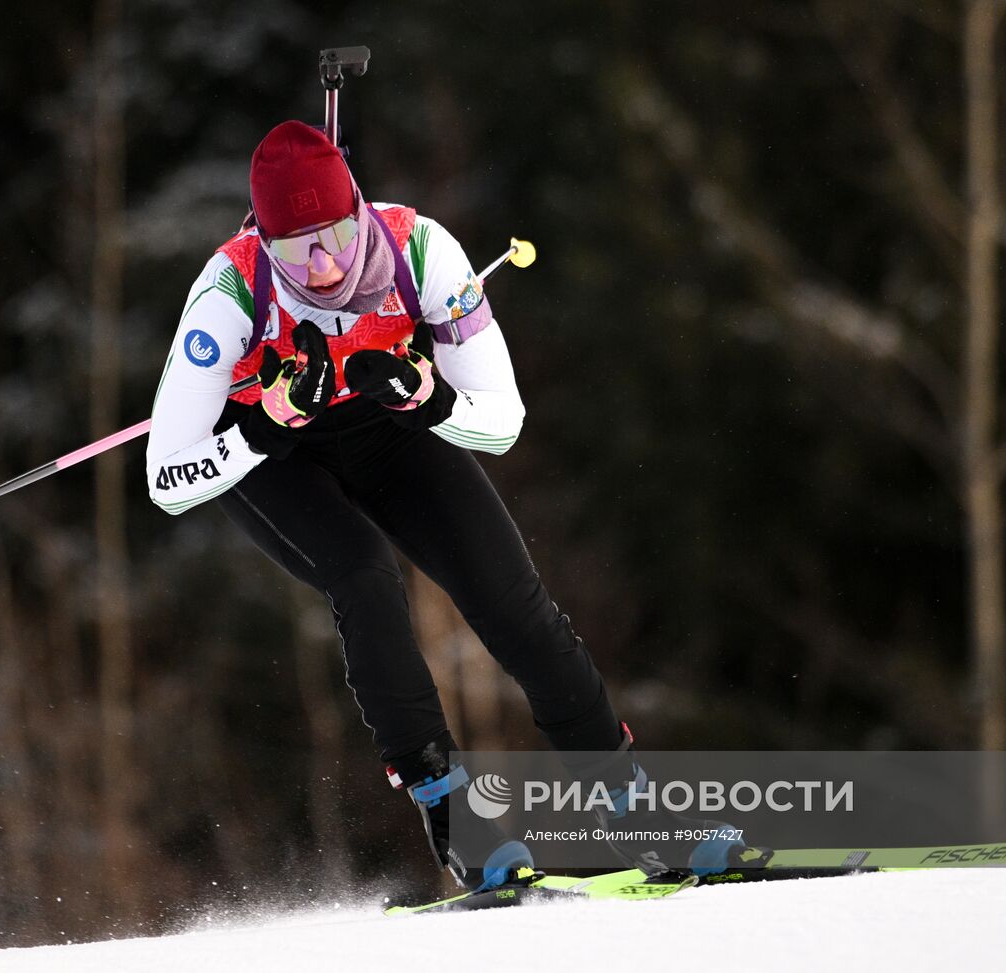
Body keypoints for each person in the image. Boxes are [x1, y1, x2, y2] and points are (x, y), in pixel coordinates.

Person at [146, 120, 763, 891]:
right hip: (277, 455)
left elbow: (502, 422)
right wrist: (266, 422)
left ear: (362, 210)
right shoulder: (228, 292)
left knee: (513, 600)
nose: (326, 263)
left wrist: (430, 396)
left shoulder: (422, 252)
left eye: (337, 233)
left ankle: (634, 812)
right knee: (365, 576)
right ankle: (454, 814)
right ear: (262, 242)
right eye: (297, 248)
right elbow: (167, 476)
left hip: (394, 425)